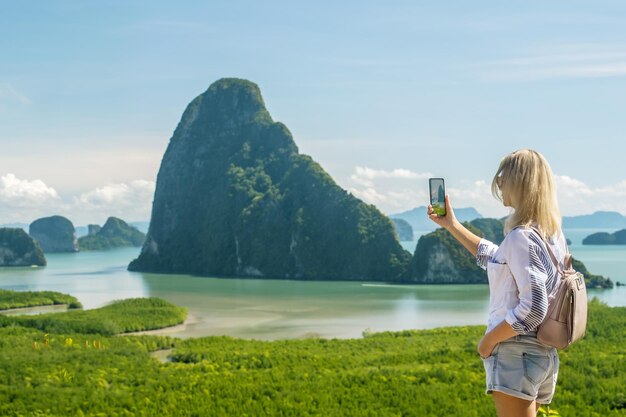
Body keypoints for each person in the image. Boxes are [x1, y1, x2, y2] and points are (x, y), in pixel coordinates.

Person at [427, 149, 565, 417]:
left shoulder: (520, 237)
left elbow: (534, 309)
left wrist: (487, 342)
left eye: (503, 176)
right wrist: (452, 225)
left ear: (519, 182)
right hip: (542, 354)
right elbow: (498, 259)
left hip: (516, 352)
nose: (499, 182)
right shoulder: (551, 234)